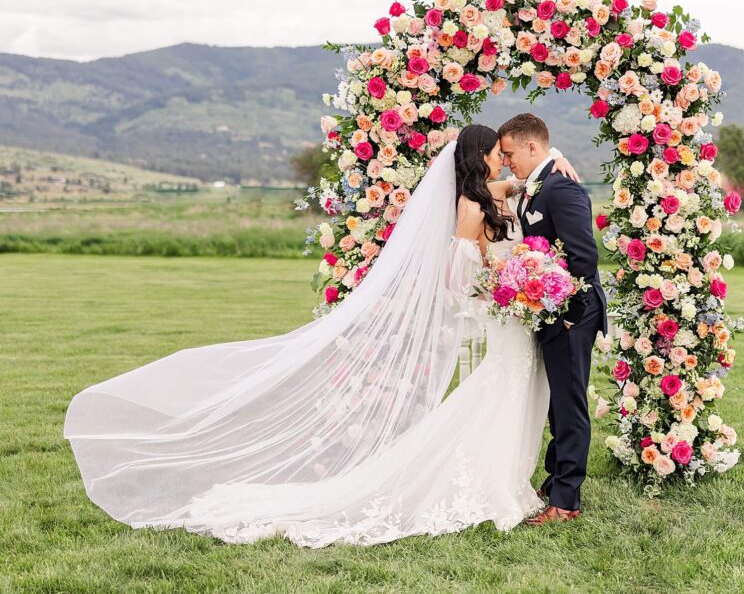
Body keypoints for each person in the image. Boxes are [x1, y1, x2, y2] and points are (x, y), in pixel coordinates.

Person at [63, 124, 585, 547]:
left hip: (512, 318)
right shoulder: (469, 208)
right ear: (479, 157)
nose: (505, 160)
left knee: (509, 399)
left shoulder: (492, 194)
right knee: (493, 399)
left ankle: (511, 480)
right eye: (498, 153)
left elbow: (524, 181)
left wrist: (555, 156)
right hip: (497, 315)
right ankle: (487, 483)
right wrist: (499, 283)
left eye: (509, 153)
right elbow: (456, 275)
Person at [498, 113, 607, 525]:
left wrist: (569, 318)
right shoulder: (534, 185)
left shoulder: (562, 189)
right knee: (556, 405)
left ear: (532, 147)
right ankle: (556, 475)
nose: (508, 162)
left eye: (510, 154)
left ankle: (566, 501)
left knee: (569, 403)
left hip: (572, 314)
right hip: (549, 311)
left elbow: (584, 258)